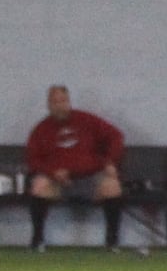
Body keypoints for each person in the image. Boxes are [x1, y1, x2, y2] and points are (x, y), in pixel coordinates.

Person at [25, 85, 125, 251]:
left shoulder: (87, 120)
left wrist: (110, 162)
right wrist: (52, 172)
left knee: (112, 186)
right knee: (39, 186)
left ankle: (112, 242)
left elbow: (116, 136)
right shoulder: (40, 129)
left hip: (90, 177)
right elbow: (33, 160)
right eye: (55, 102)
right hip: (58, 182)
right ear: (48, 104)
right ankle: (37, 240)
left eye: (63, 101)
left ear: (69, 102)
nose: (59, 105)